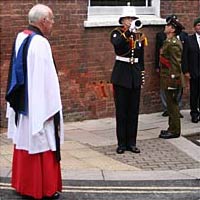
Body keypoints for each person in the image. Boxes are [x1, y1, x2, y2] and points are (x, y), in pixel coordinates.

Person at [5, 4, 63, 199]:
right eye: (52, 19)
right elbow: (47, 79)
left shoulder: (21, 36)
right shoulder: (40, 43)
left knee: (25, 142)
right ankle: (43, 188)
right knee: (42, 142)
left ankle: (24, 185)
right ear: (43, 21)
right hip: (39, 105)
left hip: (24, 103)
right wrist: (50, 106)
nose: (53, 23)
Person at [110, 9, 147, 154]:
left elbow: (141, 57)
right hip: (121, 75)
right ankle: (121, 143)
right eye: (128, 18)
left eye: (133, 18)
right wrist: (128, 32)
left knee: (133, 111)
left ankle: (132, 142)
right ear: (122, 20)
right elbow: (117, 44)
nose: (131, 21)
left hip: (134, 76)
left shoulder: (140, 36)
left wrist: (142, 74)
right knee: (122, 112)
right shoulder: (117, 33)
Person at [155, 14, 188, 117]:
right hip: (168, 71)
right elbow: (158, 51)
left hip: (175, 71)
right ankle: (169, 110)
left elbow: (179, 58)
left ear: (173, 28)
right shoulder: (163, 37)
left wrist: (176, 74)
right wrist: (157, 65)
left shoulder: (176, 41)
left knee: (176, 93)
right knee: (166, 93)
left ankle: (175, 112)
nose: (166, 26)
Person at [158, 17, 185, 139]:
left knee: (173, 106)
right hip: (167, 77)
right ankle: (171, 128)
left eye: (168, 25)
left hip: (172, 79)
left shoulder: (173, 44)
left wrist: (173, 80)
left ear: (172, 29)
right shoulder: (168, 41)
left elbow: (175, 64)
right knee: (170, 105)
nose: (165, 27)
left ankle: (175, 131)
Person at [182, 16, 200, 123]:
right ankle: (194, 113)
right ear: (194, 27)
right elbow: (185, 57)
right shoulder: (189, 40)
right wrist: (186, 71)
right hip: (194, 72)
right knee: (194, 94)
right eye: (198, 25)